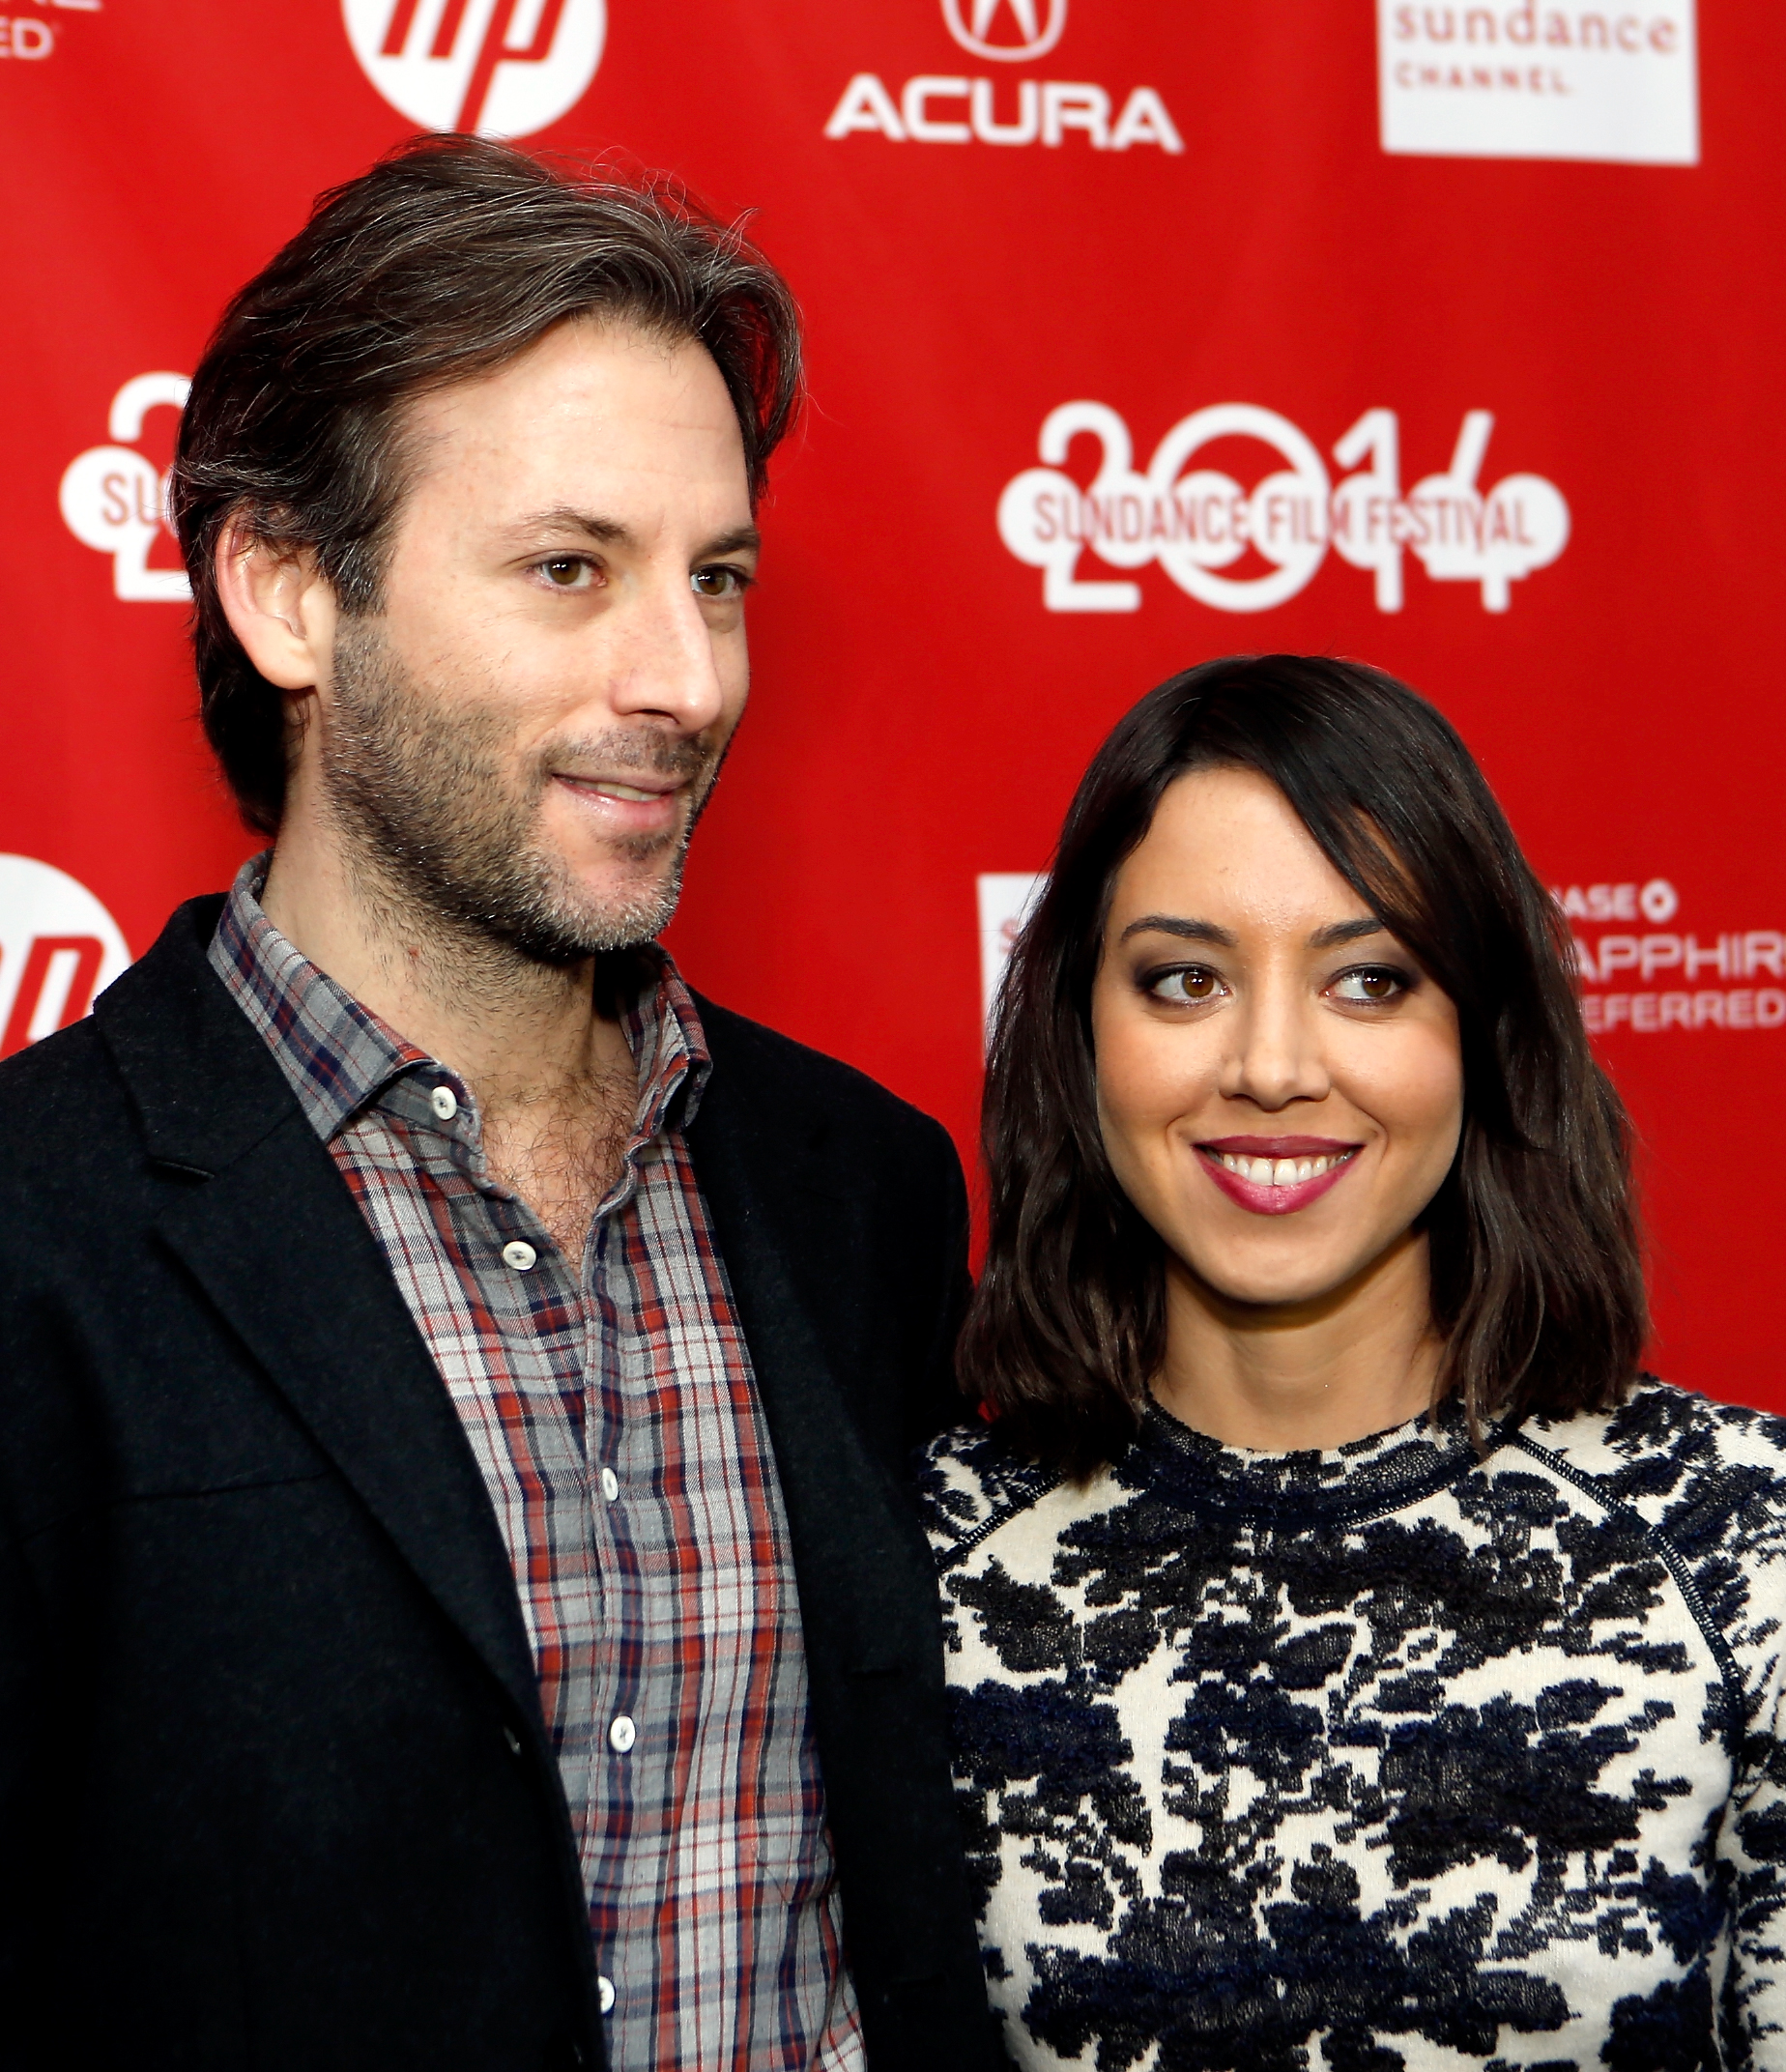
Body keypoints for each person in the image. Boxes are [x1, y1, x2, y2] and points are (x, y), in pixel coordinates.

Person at [0, 137, 998, 2072]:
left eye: (718, 577)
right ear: (292, 595)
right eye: (571, 569)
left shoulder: (859, 1190)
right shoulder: (37, 1233)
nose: (687, 677)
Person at [919, 653, 1786, 2070]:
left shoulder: (1745, 1542)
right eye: (1185, 979)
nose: (1271, 1064)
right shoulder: (922, 1559)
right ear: (1082, 1033)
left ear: (1482, 1037)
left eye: (1369, 980)